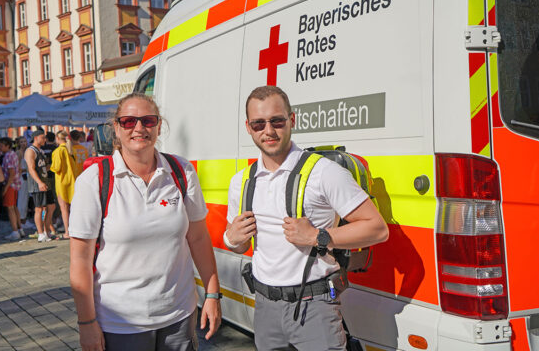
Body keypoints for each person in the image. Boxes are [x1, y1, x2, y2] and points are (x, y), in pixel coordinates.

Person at [225, 86, 389, 351]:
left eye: (277, 121)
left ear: (292, 120)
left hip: (314, 307)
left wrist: (317, 237)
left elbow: (377, 229)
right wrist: (231, 238)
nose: (268, 131)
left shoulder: (323, 172)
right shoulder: (241, 182)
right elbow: (239, 243)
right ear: (248, 127)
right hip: (265, 308)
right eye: (258, 124)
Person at [69, 93, 222, 351]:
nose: (139, 128)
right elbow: (80, 261)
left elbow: (197, 238)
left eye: (148, 121)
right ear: (116, 128)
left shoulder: (181, 172)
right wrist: (87, 323)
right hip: (120, 324)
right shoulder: (94, 180)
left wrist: (212, 293)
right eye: (129, 121)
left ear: (159, 126)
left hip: (178, 317)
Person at [25, 130, 56, 243]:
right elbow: (31, 169)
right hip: (37, 183)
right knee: (39, 208)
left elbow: (43, 167)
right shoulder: (30, 151)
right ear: (36, 138)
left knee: (51, 206)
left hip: (45, 181)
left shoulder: (40, 150)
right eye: (43, 137)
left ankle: (46, 231)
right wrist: (39, 182)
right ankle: (40, 233)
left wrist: (53, 165)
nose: (45, 140)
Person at [51, 131, 76, 239]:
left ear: (57, 138)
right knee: (73, 208)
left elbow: (56, 167)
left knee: (64, 208)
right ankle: (74, 229)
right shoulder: (71, 149)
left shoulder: (58, 151)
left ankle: (67, 231)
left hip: (62, 181)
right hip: (73, 180)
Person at [0, 137, 24, 241]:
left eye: (1, 145)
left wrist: (5, 187)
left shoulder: (8, 156)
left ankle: (15, 231)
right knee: (14, 207)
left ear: (7, 146)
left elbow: (11, 173)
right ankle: (19, 229)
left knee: (10, 208)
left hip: (11, 184)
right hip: (16, 183)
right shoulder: (13, 154)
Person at [15, 137, 31, 229]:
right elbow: (18, 167)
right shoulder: (19, 153)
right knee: (22, 199)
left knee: (26, 199)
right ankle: (21, 220)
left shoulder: (27, 151)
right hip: (22, 177)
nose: (23, 143)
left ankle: (24, 218)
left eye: (24, 141)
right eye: (21, 142)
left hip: (27, 176)